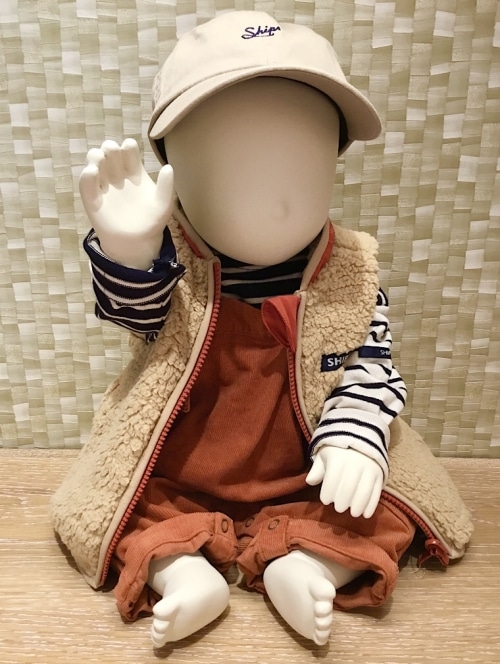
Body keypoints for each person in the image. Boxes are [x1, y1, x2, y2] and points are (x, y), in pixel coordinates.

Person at [51, 11, 473, 649]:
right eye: (234, 162)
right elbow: (135, 316)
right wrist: (131, 253)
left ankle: (310, 564)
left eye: (301, 159)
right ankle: (183, 572)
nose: (273, 195)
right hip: (185, 470)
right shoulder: (172, 262)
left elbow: (371, 365)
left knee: (379, 506)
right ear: (175, 168)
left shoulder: (347, 271)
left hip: (303, 472)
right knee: (130, 507)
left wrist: (354, 441)